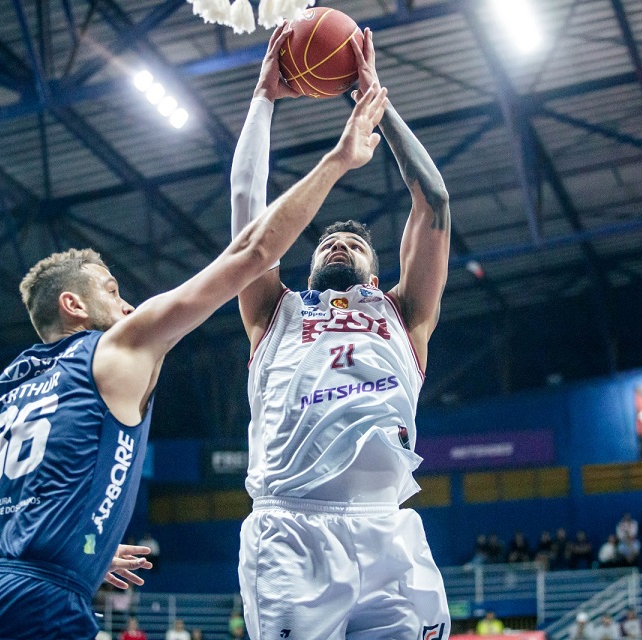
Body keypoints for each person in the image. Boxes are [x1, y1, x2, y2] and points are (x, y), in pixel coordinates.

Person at [0, 43, 390, 640]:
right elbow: (253, 252)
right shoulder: (118, 346)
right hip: (37, 604)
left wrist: (78, 551)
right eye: (112, 290)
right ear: (73, 306)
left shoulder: (5, 388)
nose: (125, 303)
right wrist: (337, 159)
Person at [230, 24, 450, 640]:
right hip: (292, 531)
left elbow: (433, 198)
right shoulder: (275, 311)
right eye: (327, 242)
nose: (338, 244)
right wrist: (262, 101)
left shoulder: (403, 316)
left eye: (353, 243)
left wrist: (374, 101)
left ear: (376, 274)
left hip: (389, 530)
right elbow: (248, 206)